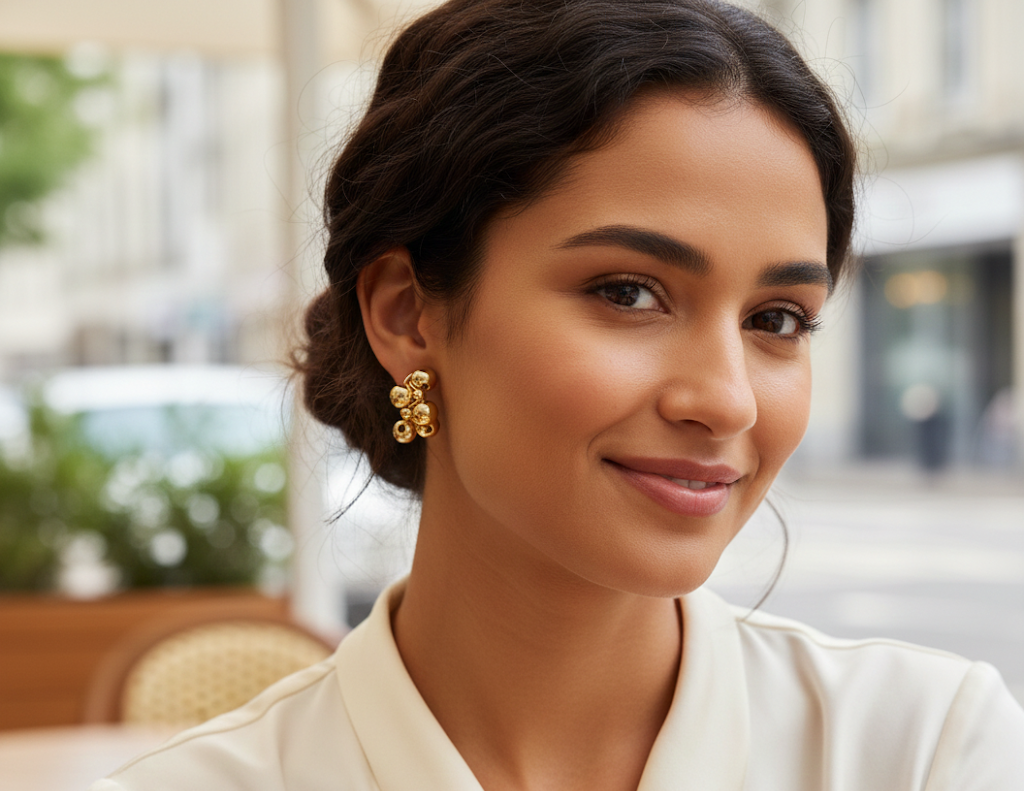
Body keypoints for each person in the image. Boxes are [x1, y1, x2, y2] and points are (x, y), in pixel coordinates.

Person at [91, 0, 1024, 788]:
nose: (728, 400)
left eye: (777, 319)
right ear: (409, 313)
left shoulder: (921, 748)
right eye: (628, 293)